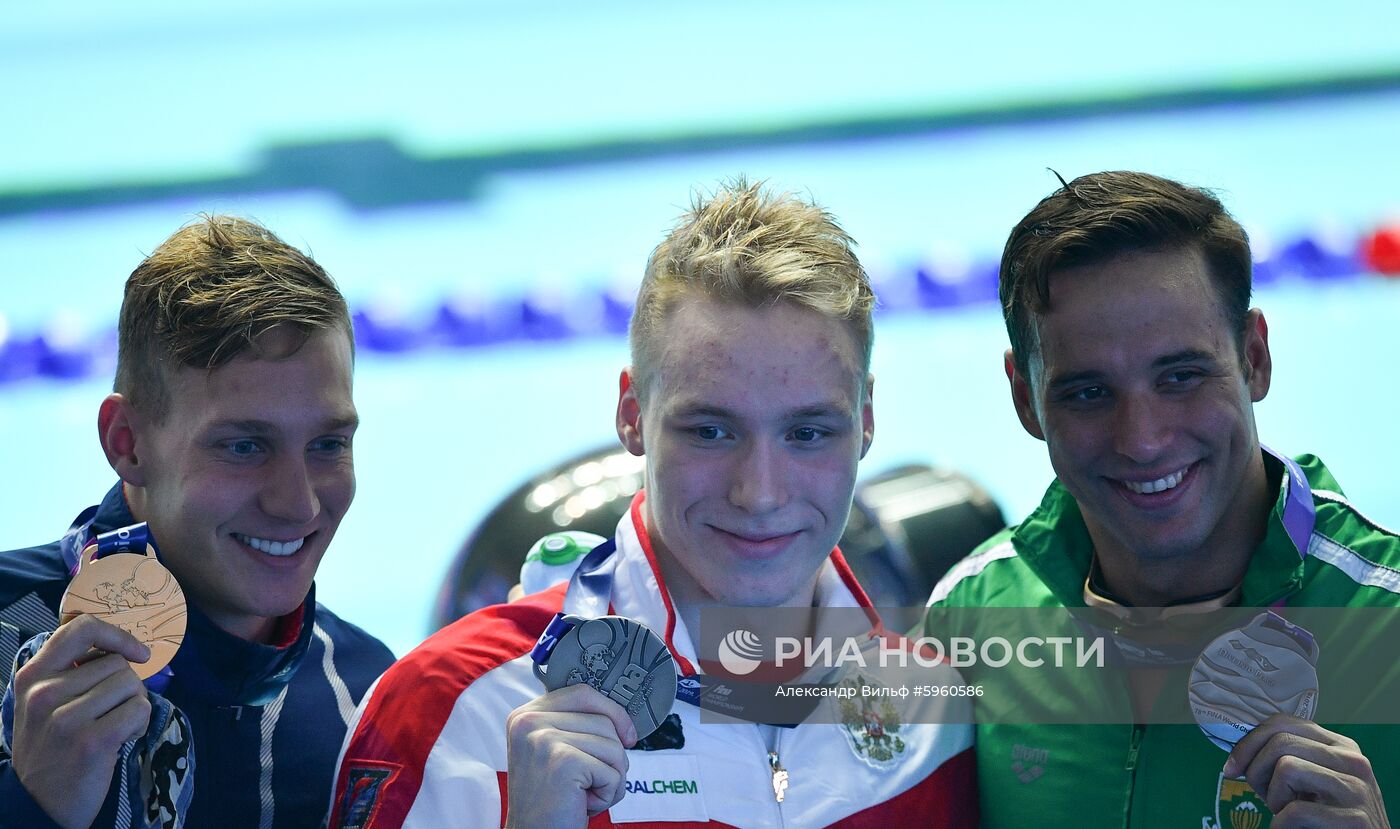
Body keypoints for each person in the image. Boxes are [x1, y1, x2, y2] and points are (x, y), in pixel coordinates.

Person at [329, 180, 977, 828]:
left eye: (808, 433)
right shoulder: (455, 711)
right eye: (711, 431)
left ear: (866, 420)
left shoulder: (935, 715)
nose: (759, 493)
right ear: (633, 413)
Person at [928, 170, 1397, 827]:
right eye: (1088, 392)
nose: (1142, 441)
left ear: (1254, 358)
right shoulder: (967, 623)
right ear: (1024, 398)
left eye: (1181, 376)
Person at [0, 216, 395, 828]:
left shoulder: (369, 698)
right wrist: (32, 805)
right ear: (128, 443)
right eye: (244, 446)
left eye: (327, 445)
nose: (299, 505)